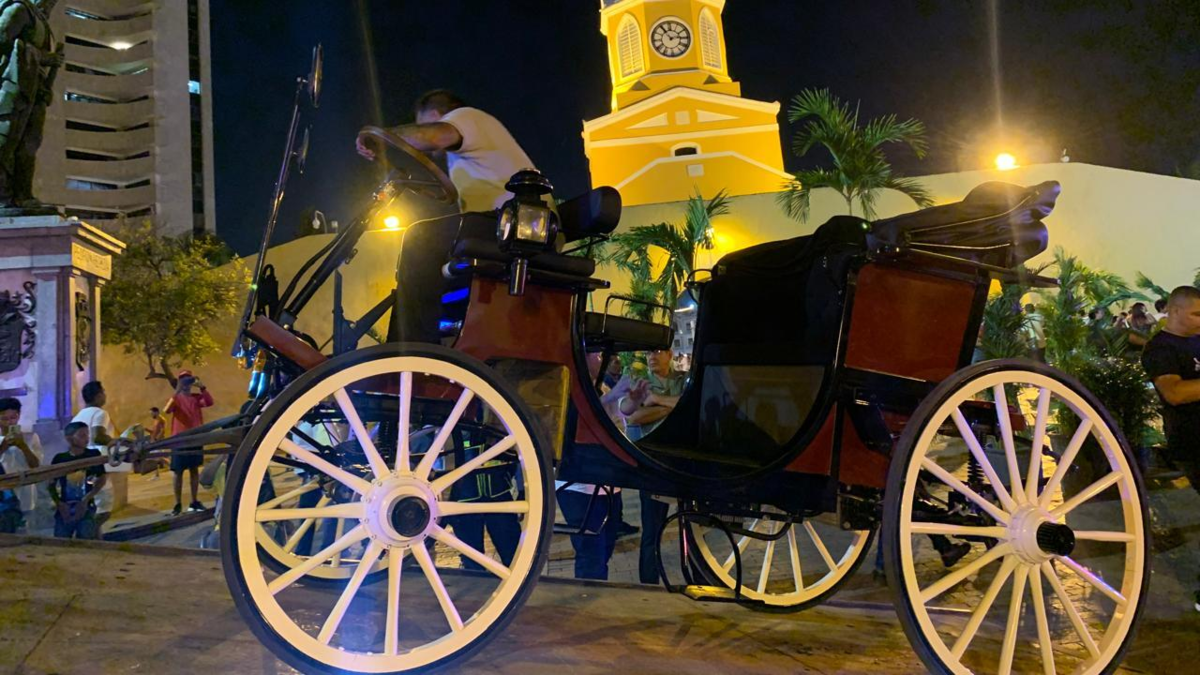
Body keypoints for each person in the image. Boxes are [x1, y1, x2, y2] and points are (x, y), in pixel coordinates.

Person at [356, 90, 541, 343]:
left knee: (420, 237)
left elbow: (434, 135)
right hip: (513, 227)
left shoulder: (466, 116)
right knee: (434, 257)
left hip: (515, 227)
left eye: (422, 123)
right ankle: (432, 339)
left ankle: (414, 346)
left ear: (435, 115)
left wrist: (382, 137)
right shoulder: (470, 150)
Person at [1141, 285, 1200, 612]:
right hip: (1192, 442)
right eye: (1196, 314)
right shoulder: (1160, 348)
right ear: (1174, 311)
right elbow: (1174, 393)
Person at [618, 349, 685, 584]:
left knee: (692, 526)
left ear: (670, 354)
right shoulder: (639, 382)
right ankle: (649, 583)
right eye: (649, 353)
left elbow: (694, 404)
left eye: (658, 352)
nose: (652, 357)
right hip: (653, 463)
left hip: (683, 462)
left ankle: (699, 578)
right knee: (652, 529)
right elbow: (633, 417)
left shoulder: (684, 379)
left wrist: (656, 400)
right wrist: (676, 406)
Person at [163, 370, 213, 515]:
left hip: (195, 438)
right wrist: (177, 391)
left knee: (194, 470)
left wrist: (202, 387)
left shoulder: (196, 398)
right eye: (183, 380)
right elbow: (166, 410)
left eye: (188, 380)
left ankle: (194, 501)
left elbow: (209, 402)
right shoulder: (176, 398)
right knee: (178, 472)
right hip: (179, 440)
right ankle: (177, 503)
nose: (186, 383)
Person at [48, 422, 106, 539]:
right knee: (61, 539)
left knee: (86, 537)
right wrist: (59, 503)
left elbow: (101, 478)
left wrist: (87, 499)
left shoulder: (93, 455)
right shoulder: (60, 458)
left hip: (86, 504)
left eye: (87, 435)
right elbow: (51, 483)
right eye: (82, 435)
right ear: (69, 438)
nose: (86, 439)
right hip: (65, 505)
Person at [70, 380, 115, 519]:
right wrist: (116, 442)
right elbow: (98, 437)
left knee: (89, 503)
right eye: (103, 392)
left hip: (81, 463)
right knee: (103, 507)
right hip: (97, 463)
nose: (105, 395)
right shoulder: (100, 413)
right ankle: (92, 531)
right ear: (98, 395)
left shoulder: (78, 416)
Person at [0, 397, 40, 533]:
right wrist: (3, 447)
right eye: (4, 419)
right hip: (3, 495)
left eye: (13, 418)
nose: (9, 423)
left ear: (18, 416)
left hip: (26, 493)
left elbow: (36, 465)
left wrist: (23, 446)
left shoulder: (31, 437)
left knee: (26, 534)